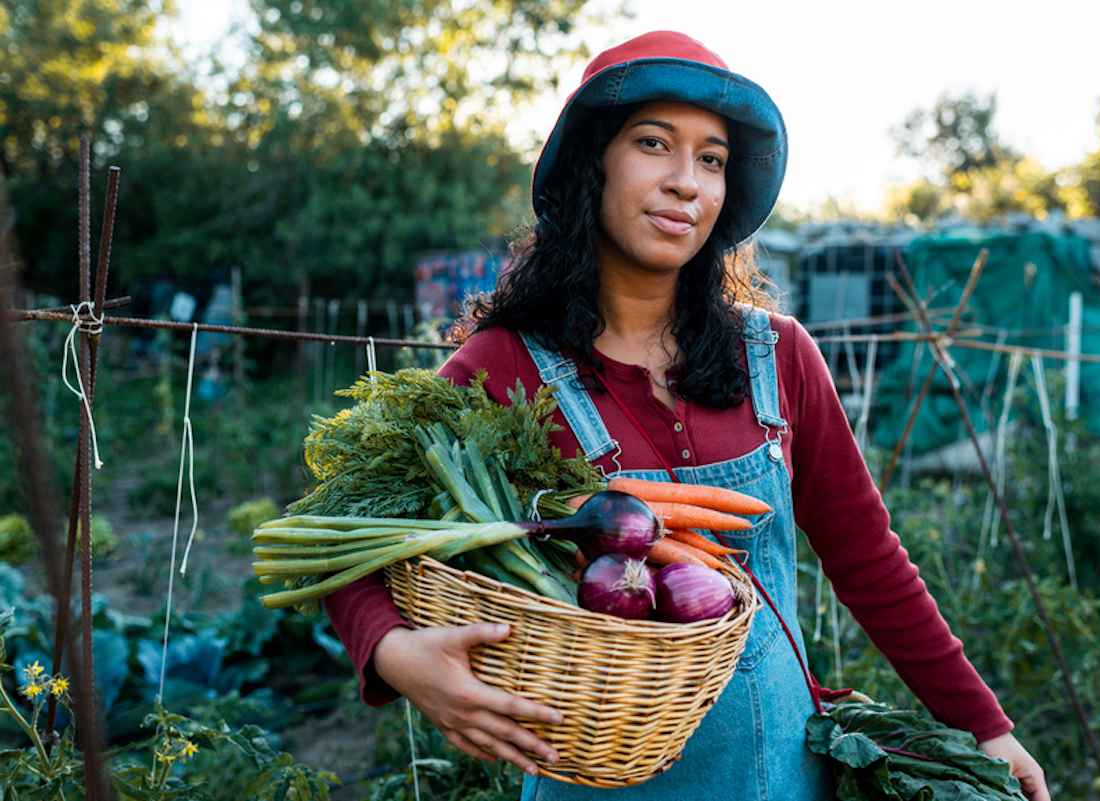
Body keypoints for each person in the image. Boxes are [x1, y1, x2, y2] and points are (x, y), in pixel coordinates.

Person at [325, 30, 1050, 801]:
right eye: (653, 144)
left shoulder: (779, 357)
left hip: (780, 777)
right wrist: (398, 654)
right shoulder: (507, 364)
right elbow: (347, 527)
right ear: (592, 163)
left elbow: (869, 561)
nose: (686, 182)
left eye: (711, 159)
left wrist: (984, 727)